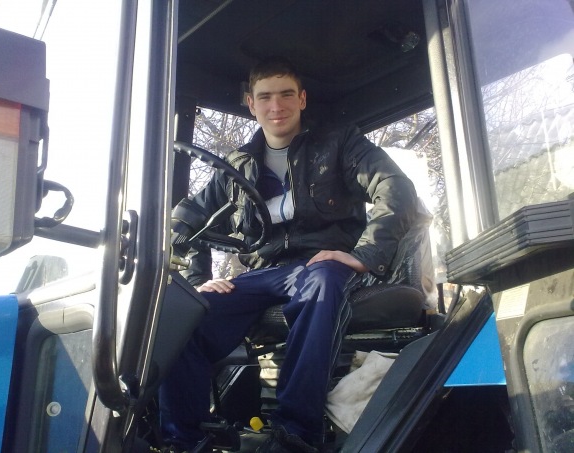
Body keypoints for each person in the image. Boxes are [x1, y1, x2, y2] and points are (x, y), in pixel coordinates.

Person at [161, 56, 418, 452]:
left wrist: (365, 254)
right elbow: (187, 219)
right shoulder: (236, 166)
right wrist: (197, 281)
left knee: (322, 279)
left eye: (285, 95)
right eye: (265, 97)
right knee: (181, 315)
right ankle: (184, 439)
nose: (276, 106)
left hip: (320, 264)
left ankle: (295, 432)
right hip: (262, 274)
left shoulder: (339, 143)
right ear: (251, 104)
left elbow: (394, 188)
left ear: (302, 99)